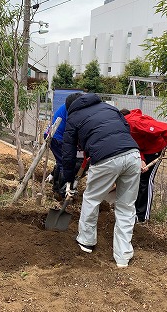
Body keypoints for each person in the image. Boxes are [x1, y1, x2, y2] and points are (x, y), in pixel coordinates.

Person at [61, 93, 141, 268]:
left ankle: (86, 242)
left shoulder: (73, 118)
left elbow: (67, 153)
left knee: (91, 199)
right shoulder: (109, 107)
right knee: (126, 207)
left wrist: (68, 180)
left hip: (106, 160)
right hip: (133, 154)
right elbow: (125, 128)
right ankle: (123, 256)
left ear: (70, 108)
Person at [120, 108, 167, 223]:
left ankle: (142, 216)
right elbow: (133, 143)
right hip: (142, 149)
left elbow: (165, 128)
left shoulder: (136, 122)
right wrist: (141, 159)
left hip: (154, 149)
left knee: (146, 181)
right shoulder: (124, 125)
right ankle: (133, 211)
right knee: (136, 179)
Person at [44, 97, 85, 199]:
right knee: (65, 163)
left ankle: (57, 188)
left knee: (60, 162)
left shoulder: (69, 106)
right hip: (58, 138)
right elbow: (73, 127)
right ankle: (62, 192)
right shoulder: (71, 110)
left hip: (53, 135)